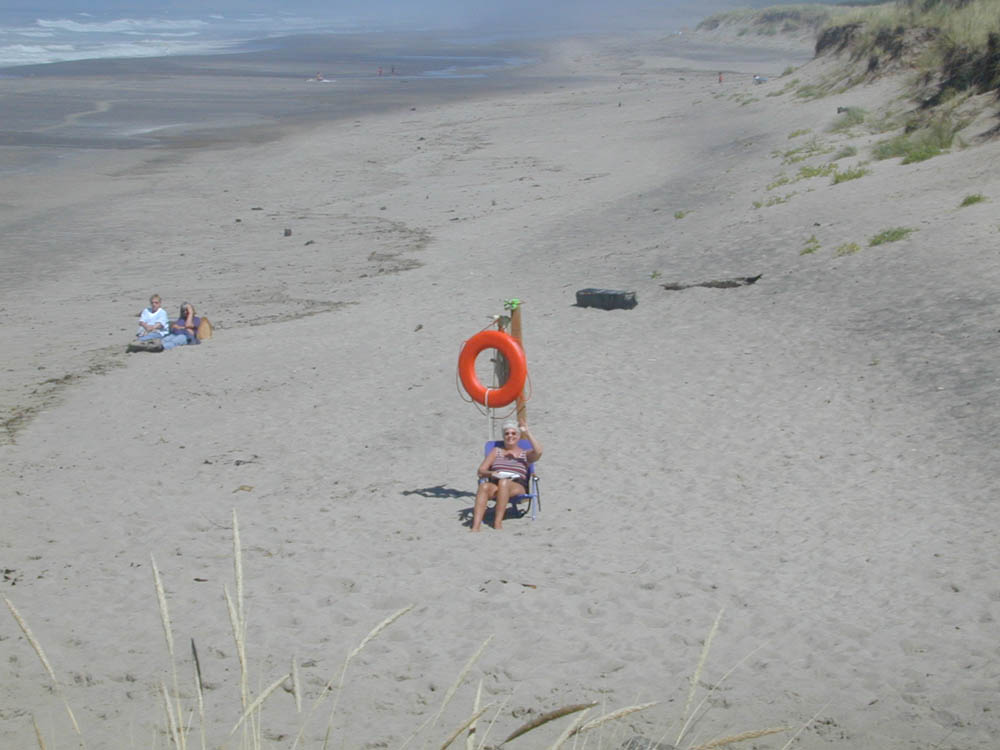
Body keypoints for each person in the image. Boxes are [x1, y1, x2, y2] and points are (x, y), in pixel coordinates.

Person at [471, 421, 542, 531]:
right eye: (507, 433)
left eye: (514, 433)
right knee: (484, 487)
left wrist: (527, 433)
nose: (510, 436)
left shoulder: (525, 454)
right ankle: (475, 526)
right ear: (503, 436)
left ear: (518, 437)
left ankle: (497, 522)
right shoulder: (496, 451)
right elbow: (481, 470)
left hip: (517, 485)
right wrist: (491, 473)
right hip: (496, 482)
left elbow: (539, 452)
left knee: (504, 482)